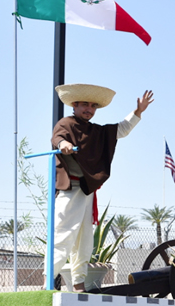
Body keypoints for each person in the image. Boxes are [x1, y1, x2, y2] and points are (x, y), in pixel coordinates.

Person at [50, 83, 154, 292]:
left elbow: (121, 129)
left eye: (92, 106)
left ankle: (79, 284)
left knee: (84, 241)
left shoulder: (95, 131)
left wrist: (138, 112)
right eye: (85, 105)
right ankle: (47, 281)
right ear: (75, 105)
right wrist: (63, 145)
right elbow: (57, 138)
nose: (89, 109)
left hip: (86, 191)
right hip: (70, 190)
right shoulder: (66, 123)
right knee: (63, 236)